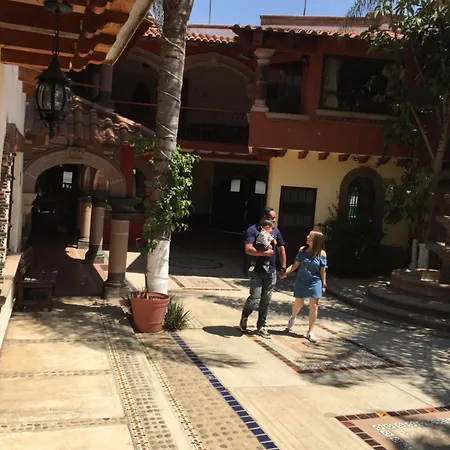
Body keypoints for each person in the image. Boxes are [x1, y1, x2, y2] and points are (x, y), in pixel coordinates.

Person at [239, 207, 287, 339]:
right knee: (255, 297)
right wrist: (265, 253)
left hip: (271, 271)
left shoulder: (275, 231)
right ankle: (244, 317)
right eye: (272, 218)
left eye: (275, 218)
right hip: (256, 270)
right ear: (264, 218)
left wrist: (283, 266)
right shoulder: (252, 230)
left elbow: (281, 249)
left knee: (266, 299)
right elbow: (248, 249)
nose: (274, 220)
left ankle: (261, 325)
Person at [284, 230, 327, 343]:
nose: (307, 237)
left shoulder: (322, 254)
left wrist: (323, 284)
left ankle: (310, 331)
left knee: (314, 306)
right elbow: (295, 265)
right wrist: (285, 272)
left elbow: (322, 270)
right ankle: (293, 317)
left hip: (315, 281)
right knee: (299, 304)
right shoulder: (302, 250)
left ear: (316, 240)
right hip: (302, 280)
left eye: (310, 236)